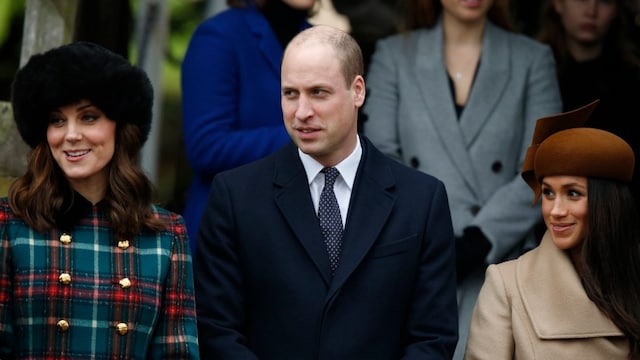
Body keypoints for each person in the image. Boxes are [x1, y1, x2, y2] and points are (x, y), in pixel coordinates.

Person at [193, 25, 458, 358]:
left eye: (318, 92)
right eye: (291, 93)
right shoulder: (235, 196)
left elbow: (433, 336)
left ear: (357, 90)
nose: (301, 112)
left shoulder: (422, 199)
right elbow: (216, 328)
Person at [362, 0, 562, 358]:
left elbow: (541, 165)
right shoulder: (394, 55)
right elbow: (379, 159)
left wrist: (481, 239)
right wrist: (428, 235)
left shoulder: (533, 58)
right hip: (415, 254)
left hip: (503, 259)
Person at [1, 42, 200, 359]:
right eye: (57, 120)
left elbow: (177, 353)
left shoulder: (166, 235)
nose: (71, 134)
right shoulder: (9, 225)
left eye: (89, 117)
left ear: (120, 127)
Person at [464, 100, 640, 359]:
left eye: (572, 193)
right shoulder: (507, 284)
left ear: (608, 203)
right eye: (548, 193)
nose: (555, 210)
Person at [181, 0, 316, 251]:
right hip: (230, 233)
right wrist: (308, 135)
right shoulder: (219, 35)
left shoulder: (318, 41)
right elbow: (207, 148)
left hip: (299, 233)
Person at [537, 0, 640, 208]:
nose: (591, 10)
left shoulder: (632, 82)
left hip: (616, 215)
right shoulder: (535, 76)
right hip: (547, 215)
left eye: (604, 1)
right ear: (558, 4)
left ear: (615, 11)